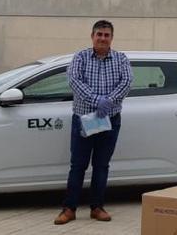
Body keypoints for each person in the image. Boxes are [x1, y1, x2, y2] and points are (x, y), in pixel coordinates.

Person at [54, 20, 133, 225]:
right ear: (92, 36)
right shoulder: (80, 57)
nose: (103, 38)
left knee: (101, 165)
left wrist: (110, 102)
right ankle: (69, 209)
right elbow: (74, 81)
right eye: (99, 34)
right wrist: (99, 101)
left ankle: (97, 207)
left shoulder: (121, 59)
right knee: (78, 165)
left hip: (110, 120)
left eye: (107, 35)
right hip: (83, 120)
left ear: (111, 38)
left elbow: (126, 82)